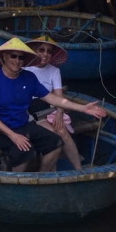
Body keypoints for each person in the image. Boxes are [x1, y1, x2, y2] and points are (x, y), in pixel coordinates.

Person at [0, 38, 106, 172]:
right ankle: (16, 182)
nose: (17, 61)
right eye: (13, 56)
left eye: (21, 57)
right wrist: (13, 135)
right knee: (25, 150)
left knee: (56, 142)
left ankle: (42, 176)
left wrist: (83, 108)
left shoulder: (28, 77)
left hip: (22, 125)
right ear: (4, 56)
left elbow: (52, 98)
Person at [25, 35, 82, 170]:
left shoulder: (54, 71)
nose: (45, 54)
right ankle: (46, 173)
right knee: (54, 135)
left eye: (49, 51)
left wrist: (59, 113)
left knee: (62, 130)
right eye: (41, 50)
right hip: (30, 114)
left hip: (49, 109)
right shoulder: (25, 70)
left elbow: (59, 97)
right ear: (34, 50)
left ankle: (79, 170)